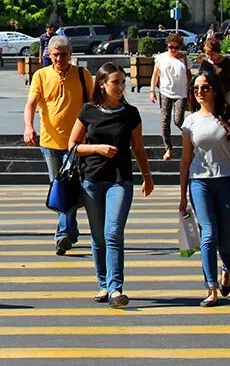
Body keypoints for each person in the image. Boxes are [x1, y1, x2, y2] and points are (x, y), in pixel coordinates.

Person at [68, 63, 154, 308]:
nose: (120, 87)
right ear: (102, 84)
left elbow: (138, 147)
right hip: (92, 180)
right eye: (115, 82)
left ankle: (116, 288)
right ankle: (103, 284)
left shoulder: (131, 113)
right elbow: (72, 145)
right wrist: (96, 148)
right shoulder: (88, 111)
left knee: (113, 233)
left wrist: (147, 175)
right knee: (98, 237)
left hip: (121, 180)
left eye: (122, 82)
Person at [179, 70, 230, 307]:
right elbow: (185, 160)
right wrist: (182, 194)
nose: (200, 92)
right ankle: (211, 288)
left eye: (204, 87)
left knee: (226, 238)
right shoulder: (191, 121)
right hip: (199, 182)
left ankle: (228, 267)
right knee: (209, 234)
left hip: (227, 180)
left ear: (214, 89)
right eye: (196, 89)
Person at [24, 35, 94, 255]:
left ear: (70, 55)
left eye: (63, 54)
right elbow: (31, 104)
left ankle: (63, 234)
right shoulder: (41, 75)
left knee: (68, 187)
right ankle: (70, 230)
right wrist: (28, 126)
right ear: (49, 55)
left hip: (76, 143)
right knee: (60, 187)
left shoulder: (83, 75)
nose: (59, 59)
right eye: (55, 55)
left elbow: (93, 105)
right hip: (50, 142)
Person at [149, 32, 191, 160]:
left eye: (176, 47)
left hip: (181, 93)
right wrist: (152, 91)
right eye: (170, 47)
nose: (173, 50)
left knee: (178, 120)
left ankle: (190, 137)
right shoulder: (161, 58)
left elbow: (189, 75)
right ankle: (168, 148)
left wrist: (190, 90)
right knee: (164, 120)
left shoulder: (183, 58)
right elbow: (155, 75)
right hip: (165, 92)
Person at [198, 37, 230, 108]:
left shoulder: (226, 62)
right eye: (207, 54)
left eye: (212, 54)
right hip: (210, 94)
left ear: (218, 52)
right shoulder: (205, 62)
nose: (210, 57)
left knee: (226, 114)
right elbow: (200, 78)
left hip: (226, 92)